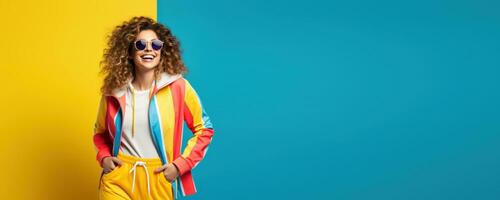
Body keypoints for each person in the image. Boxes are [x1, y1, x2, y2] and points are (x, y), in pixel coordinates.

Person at [93, 16, 215, 200]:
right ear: (129, 52)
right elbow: (99, 132)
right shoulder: (114, 91)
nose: (149, 49)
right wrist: (104, 157)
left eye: (156, 44)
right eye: (140, 44)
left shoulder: (179, 87)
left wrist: (180, 165)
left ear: (162, 51)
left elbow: (204, 129)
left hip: (158, 177)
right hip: (118, 178)